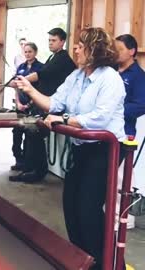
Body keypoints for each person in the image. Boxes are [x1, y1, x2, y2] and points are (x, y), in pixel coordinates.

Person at [15, 27, 126, 270]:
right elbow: (54, 103)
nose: (75, 48)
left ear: (95, 49)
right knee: (71, 208)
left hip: (104, 149)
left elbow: (100, 117)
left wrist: (64, 121)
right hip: (81, 148)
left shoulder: (110, 79)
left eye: (80, 44)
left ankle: (105, 264)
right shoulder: (76, 76)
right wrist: (30, 90)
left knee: (88, 209)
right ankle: (82, 261)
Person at [9, 27, 76, 183]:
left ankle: (37, 171)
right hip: (45, 104)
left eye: (53, 40)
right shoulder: (53, 58)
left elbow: (40, 74)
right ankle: (28, 167)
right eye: (49, 40)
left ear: (62, 41)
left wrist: (21, 82)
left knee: (34, 133)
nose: (50, 43)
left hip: (53, 106)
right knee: (29, 133)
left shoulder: (62, 59)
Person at [114, 34, 145, 230]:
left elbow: (141, 105)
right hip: (106, 130)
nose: (115, 53)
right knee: (107, 174)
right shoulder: (111, 72)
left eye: (120, 49)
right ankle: (109, 212)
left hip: (125, 132)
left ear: (132, 51)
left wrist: (114, 110)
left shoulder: (138, 76)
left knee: (121, 176)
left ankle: (123, 217)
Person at [11, 42, 43, 170]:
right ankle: (18, 160)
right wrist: (18, 103)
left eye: (30, 51)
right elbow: (17, 88)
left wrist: (29, 104)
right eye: (26, 52)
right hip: (20, 107)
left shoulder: (40, 68)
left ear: (35, 52)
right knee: (16, 133)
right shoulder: (21, 67)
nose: (28, 54)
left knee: (29, 135)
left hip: (33, 107)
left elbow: (41, 90)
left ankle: (27, 163)